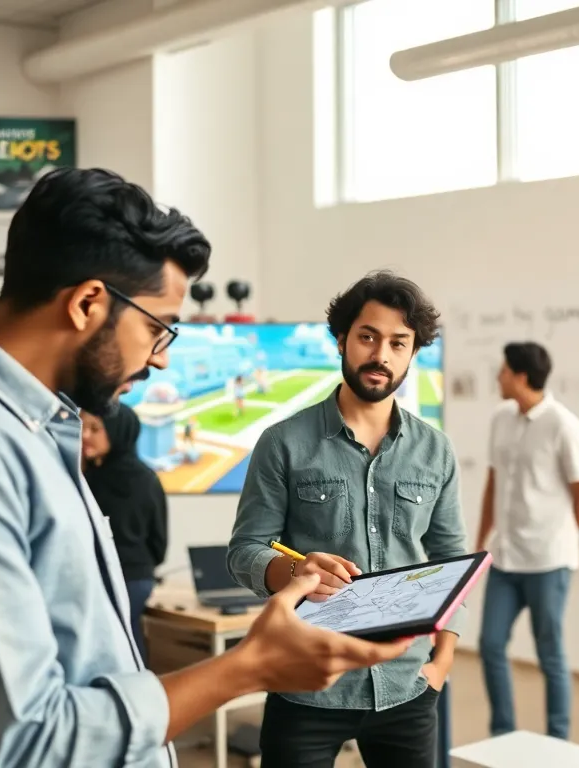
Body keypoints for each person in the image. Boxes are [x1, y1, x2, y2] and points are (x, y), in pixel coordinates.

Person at [0, 168, 411, 768]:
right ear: (87, 303)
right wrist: (248, 667)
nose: (160, 360)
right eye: (158, 329)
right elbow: (23, 744)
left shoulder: (23, 425)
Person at [227, 269, 467, 768]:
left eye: (399, 343)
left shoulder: (435, 450)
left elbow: (452, 562)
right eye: (368, 336)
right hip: (305, 683)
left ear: (412, 353)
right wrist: (297, 572)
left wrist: (440, 663)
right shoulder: (283, 442)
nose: (381, 355)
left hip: (407, 686)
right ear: (342, 340)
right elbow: (246, 550)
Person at [474, 341, 579, 741]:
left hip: (549, 562)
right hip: (505, 558)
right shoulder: (500, 419)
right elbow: (493, 484)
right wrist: (480, 542)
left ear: (521, 376)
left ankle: (557, 741)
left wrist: (561, 534)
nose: (498, 377)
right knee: (490, 645)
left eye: (503, 370)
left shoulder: (564, 425)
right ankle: (502, 734)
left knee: (550, 655)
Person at [82, 406, 168, 662]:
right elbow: (159, 543)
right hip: (139, 579)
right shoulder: (148, 478)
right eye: (82, 427)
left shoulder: (88, 481)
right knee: (129, 641)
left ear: (118, 431)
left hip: (107, 580)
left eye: (95, 428)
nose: (85, 435)